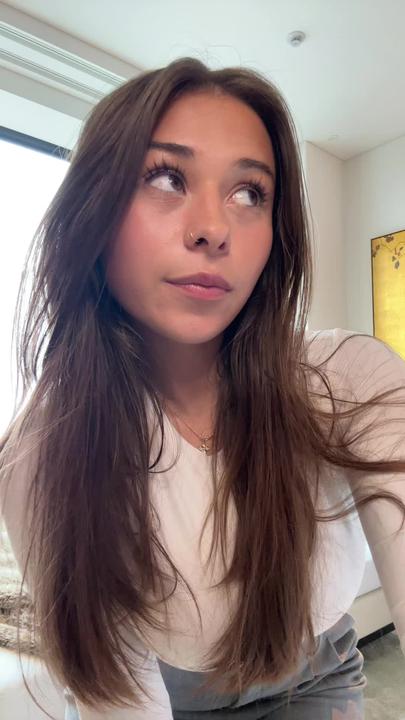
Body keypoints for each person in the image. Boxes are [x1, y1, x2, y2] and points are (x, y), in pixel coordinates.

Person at [1, 57, 405, 720]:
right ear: (94, 208)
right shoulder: (43, 453)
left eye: (250, 193)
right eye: (166, 177)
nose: (214, 228)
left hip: (317, 674)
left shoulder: (349, 381)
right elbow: (116, 694)